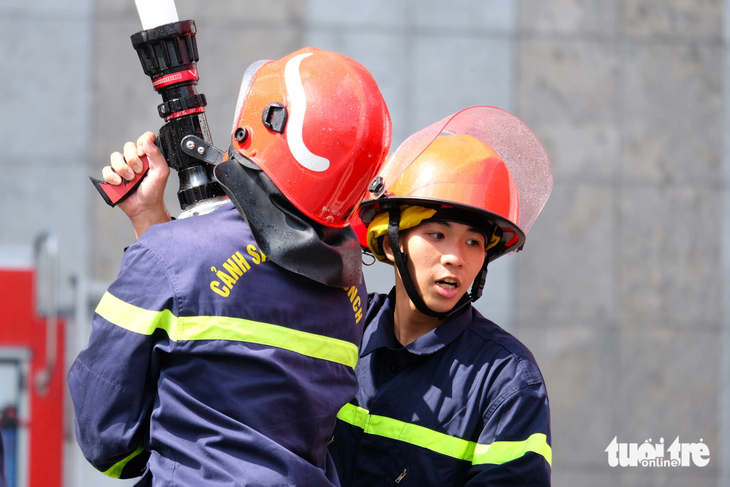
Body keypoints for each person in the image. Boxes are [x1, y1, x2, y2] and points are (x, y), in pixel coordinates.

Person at [68, 47, 391, 486]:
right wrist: (152, 221)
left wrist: (155, 231)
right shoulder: (351, 290)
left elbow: (107, 442)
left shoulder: (167, 258)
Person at [328, 106, 554, 486]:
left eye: (473, 242)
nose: (456, 257)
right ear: (392, 240)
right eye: (437, 234)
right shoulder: (337, 326)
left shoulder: (507, 380)